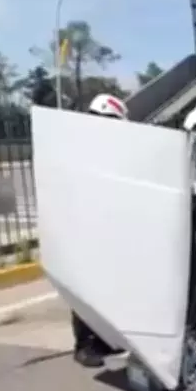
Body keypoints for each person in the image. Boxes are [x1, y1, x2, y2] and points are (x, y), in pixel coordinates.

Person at [72, 94, 129, 368]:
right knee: (85, 289)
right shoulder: (81, 149)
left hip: (106, 226)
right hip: (85, 227)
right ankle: (84, 345)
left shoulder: (109, 151)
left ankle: (104, 340)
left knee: (107, 287)